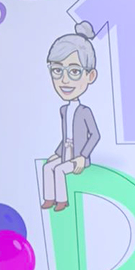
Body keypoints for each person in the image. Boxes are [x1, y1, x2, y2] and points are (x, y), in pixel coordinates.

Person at [41, 21, 100, 212]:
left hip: (78, 157)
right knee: (48, 167)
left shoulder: (84, 111)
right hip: (66, 153)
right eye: (57, 70)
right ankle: (49, 198)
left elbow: (95, 135)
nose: (64, 79)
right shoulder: (64, 110)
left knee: (59, 170)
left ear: (90, 76)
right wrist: (57, 153)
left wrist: (83, 157)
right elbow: (65, 136)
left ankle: (62, 201)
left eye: (74, 71)